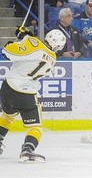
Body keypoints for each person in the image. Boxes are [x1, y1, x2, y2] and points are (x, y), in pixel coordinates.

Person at [0, 26, 66, 163]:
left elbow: (11, 52)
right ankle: (27, 150)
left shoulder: (33, 42)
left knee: (7, 116)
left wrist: (15, 42)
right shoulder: (53, 58)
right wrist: (26, 36)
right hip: (26, 94)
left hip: (8, 87)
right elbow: (35, 52)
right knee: (35, 127)